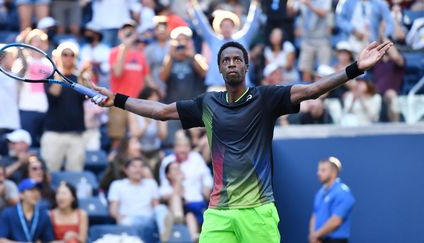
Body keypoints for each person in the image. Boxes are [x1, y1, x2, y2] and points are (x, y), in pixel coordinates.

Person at [91, 40, 392, 242]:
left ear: (246, 67)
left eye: (238, 59)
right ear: (220, 68)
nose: (232, 63)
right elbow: (159, 111)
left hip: (258, 211)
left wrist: (357, 68)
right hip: (219, 212)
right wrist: (116, 98)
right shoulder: (207, 103)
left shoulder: (266, 98)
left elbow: (312, 89)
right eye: (226, 60)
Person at [190, 0, 261, 87]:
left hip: (240, 87)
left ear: (234, 26)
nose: (226, 28)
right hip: (216, 87)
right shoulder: (213, 39)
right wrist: (194, 5)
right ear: (219, 27)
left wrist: (255, 4)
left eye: (229, 25)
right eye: (223, 26)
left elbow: (252, 24)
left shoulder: (243, 38)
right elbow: (202, 25)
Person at [107, 20, 155, 151]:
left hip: (136, 103)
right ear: (119, 34)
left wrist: (156, 93)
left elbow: (147, 78)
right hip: (118, 102)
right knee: (118, 140)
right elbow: (117, 72)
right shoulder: (114, 52)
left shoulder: (140, 54)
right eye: (125, 30)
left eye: (131, 30)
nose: (128, 32)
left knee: (135, 138)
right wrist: (125, 47)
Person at [159, 131, 213, 241]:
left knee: (189, 215)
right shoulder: (167, 161)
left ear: (189, 147)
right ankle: (177, 216)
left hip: (194, 200)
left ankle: (189, 233)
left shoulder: (196, 158)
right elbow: (164, 185)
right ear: (174, 148)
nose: (182, 150)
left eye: (185, 146)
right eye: (179, 146)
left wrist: (206, 192)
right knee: (175, 198)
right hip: (174, 199)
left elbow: (207, 178)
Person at [40, 42, 86, 172]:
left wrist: (83, 75)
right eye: (64, 54)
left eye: (72, 55)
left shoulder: (79, 78)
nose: (68, 57)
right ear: (59, 56)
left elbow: (85, 96)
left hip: (76, 134)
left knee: (76, 172)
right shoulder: (49, 77)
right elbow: (54, 93)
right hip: (54, 133)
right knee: (50, 171)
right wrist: (59, 71)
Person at [108, 158, 167, 241]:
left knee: (162, 208)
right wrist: (118, 216)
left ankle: (165, 236)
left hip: (148, 219)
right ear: (126, 170)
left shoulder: (151, 183)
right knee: (126, 222)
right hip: (129, 217)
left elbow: (156, 206)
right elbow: (113, 209)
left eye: (141, 167)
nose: (138, 169)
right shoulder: (117, 185)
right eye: (134, 166)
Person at [309, 157, 355, 243]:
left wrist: (316, 235)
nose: (318, 173)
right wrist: (313, 236)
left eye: (323, 170)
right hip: (318, 240)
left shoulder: (342, 192)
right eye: (318, 170)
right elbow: (314, 215)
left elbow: (336, 221)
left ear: (333, 172)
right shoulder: (320, 193)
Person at [0, 178, 55, 243]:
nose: (36, 193)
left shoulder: (43, 215)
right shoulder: (8, 213)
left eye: (37, 190)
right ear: (21, 194)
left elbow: (49, 240)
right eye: (31, 190)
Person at [128, 87, 167, 173]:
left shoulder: (163, 113)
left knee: (163, 159)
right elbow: (135, 135)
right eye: (151, 98)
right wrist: (146, 124)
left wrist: (158, 121)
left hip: (154, 150)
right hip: (139, 150)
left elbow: (163, 136)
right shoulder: (134, 112)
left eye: (156, 99)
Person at [0, 43, 20, 158]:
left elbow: (25, 67)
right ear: (2, 57)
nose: (14, 59)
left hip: (12, 129)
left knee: (8, 164)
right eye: (11, 56)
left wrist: (21, 45)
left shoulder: (16, 75)